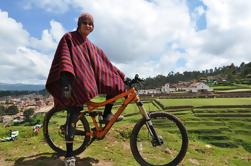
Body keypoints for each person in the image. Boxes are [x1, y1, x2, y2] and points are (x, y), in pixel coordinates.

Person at [45, 12, 125, 166]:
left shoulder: (91, 46)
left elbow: (105, 65)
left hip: (84, 83)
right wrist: (66, 83)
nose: (88, 26)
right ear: (79, 24)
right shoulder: (68, 37)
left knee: (116, 84)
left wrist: (122, 76)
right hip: (71, 84)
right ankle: (69, 155)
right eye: (85, 23)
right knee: (73, 115)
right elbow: (64, 58)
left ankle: (107, 114)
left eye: (91, 24)